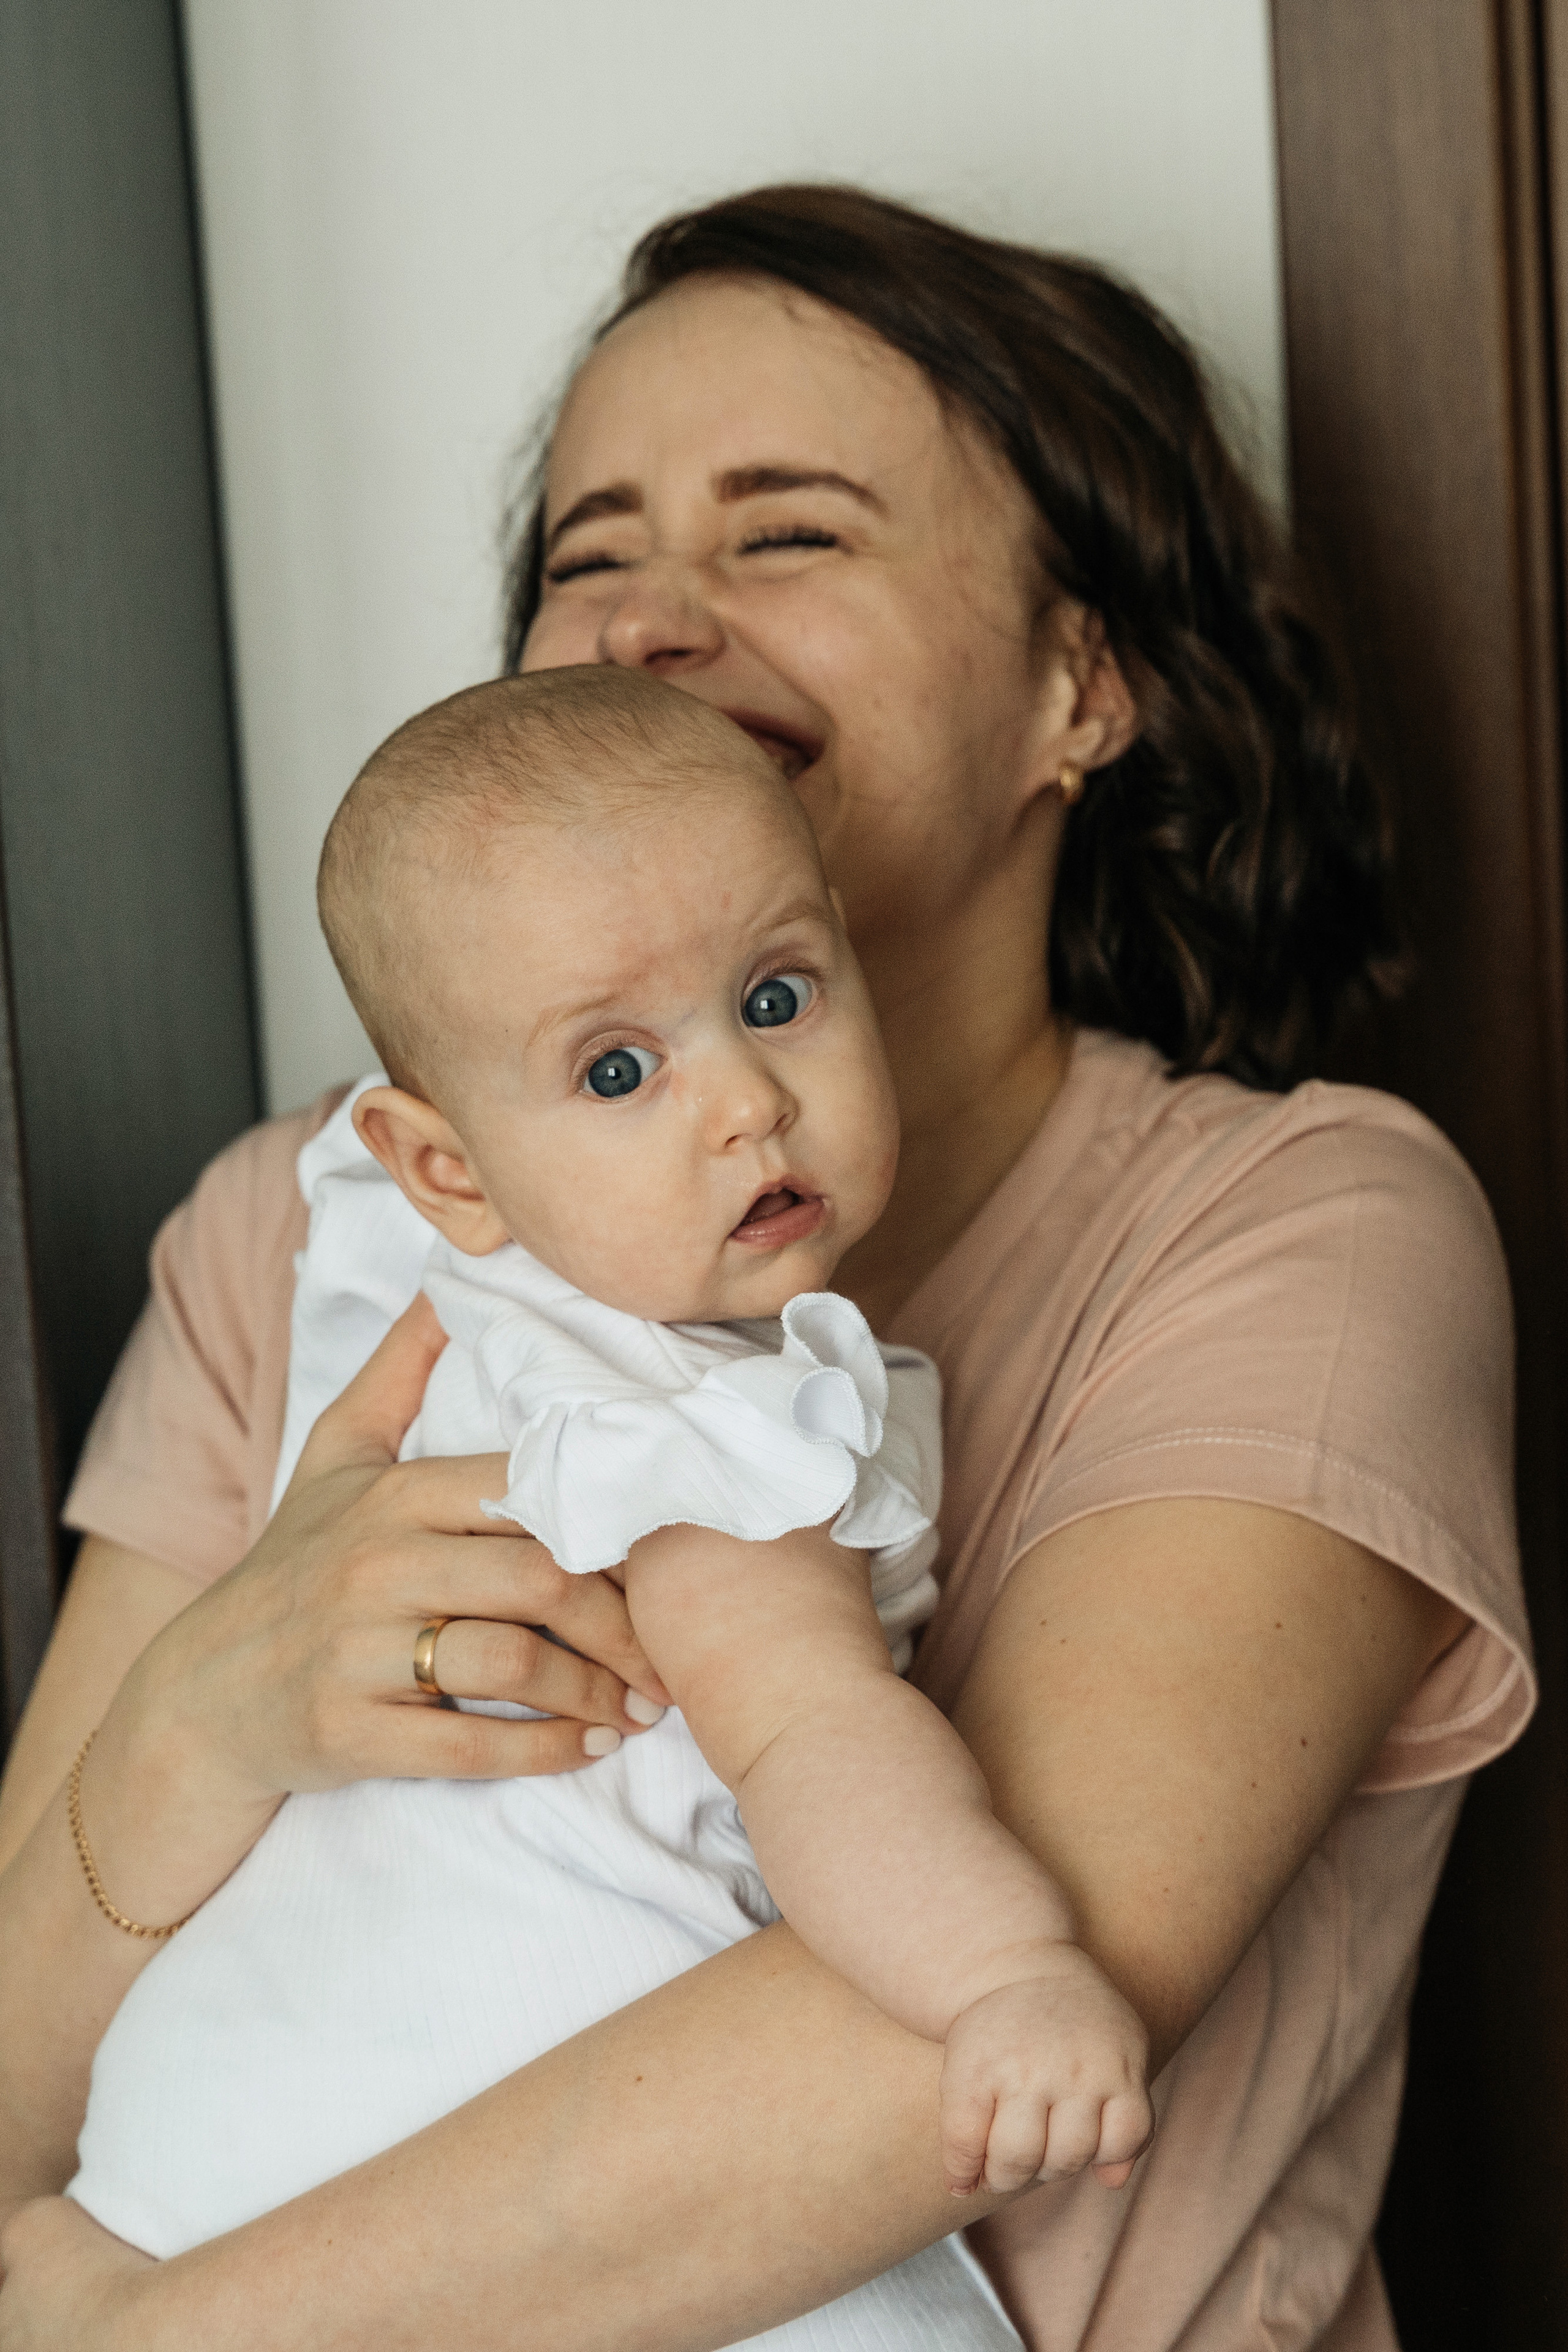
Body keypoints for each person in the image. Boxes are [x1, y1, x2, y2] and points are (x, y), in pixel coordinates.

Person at [0, 185, 1530, 2352]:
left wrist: (153, 2339)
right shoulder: (314, 1222)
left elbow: (957, 2056)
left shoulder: (1297, 1231)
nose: (653, 622)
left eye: (786, 533)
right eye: (589, 554)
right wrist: (206, 1718)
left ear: (1078, 687)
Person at [67, 668, 1150, 2308]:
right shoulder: (684, 1429)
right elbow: (819, 1746)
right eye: (618, 1072)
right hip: (460, 2117)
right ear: (447, 1164)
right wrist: (1011, 1972)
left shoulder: (410, 1295)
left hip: (201, 2137)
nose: (746, 1101)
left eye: (777, 997)